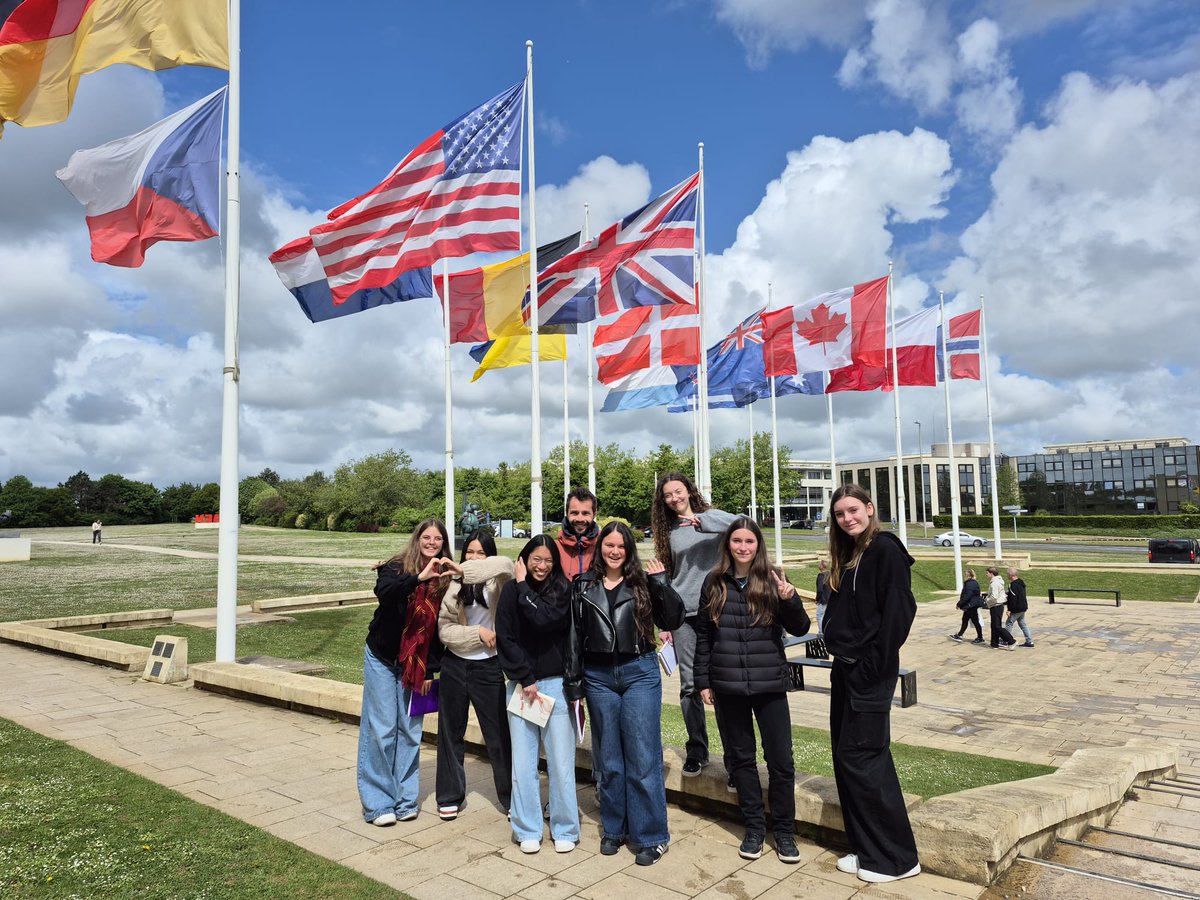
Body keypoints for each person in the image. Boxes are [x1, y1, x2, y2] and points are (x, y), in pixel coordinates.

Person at [565, 522, 684, 866]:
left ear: (629, 549)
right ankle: (614, 829)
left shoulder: (643, 583)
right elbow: (574, 637)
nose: (614, 551)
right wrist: (574, 684)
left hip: (639, 672)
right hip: (598, 676)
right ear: (600, 546)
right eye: (609, 545)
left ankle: (651, 836)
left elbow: (672, 619)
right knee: (610, 759)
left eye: (621, 546)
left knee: (643, 756)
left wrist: (662, 583)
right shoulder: (583, 585)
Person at [694, 517, 809, 864]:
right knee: (741, 760)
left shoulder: (772, 579)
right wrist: (703, 680)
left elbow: (800, 627)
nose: (743, 547)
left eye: (750, 541)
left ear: (758, 545)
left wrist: (789, 600)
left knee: (780, 761)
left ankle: (785, 831)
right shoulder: (714, 582)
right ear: (728, 544)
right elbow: (703, 636)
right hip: (728, 684)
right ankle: (755, 827)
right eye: (737, 541)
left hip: (769, 684)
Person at [824, 485, 921, 884]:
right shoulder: (851, 554)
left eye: (853, 510)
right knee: (846, 759)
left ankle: (895, 859)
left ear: (869, 508)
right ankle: (867, 848)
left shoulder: (884, 550)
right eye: (840, 514)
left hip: (868, 673)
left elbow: (898, 615)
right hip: (845, 670)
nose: (847, 518)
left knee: (864, 759)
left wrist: (871, 668)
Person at [358, 519, 451, 826]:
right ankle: (378, 803)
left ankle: (405, 799)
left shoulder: (446, 579)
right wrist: (418, 577)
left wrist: (431, 671)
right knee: (382, 729)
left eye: (438, 538)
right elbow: (385, 593)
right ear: (417, 539)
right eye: (427, 537)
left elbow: (440, 631)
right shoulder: (397, 567)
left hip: (418, 666)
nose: (432, 542)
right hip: (383, 658)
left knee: (410, 731)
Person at [495, 535, 580, 855]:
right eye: (536, 559)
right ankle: (527, 827)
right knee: (524, 764)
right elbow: (505, 637)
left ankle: (565, 828)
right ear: (524, 559)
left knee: (561, 764)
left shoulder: (562, 589)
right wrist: (524, 677)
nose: (542, 566)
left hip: (555, 685)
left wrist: (521, 586)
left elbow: (544, 620)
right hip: (521, 687)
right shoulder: (509, 593)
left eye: (548, 560)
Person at [650, 472, 737, 776]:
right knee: (690, 686)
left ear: (689, 490)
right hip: (683, 614)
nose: (674, 498)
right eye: (668, 495)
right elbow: (668, 575)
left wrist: (703, 522)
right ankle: (697, 749)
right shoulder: (667, 532)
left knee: (725, 683)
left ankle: (734, 758)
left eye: (678, 491)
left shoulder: (712, 518)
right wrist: (666, 620)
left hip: (716, 608)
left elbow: (744, 524)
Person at [435, 528, 514, 821]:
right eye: (469, 551)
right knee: (450, 732)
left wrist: (465, 569)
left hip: (489, 667)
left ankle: (510, 798)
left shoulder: (499, 581)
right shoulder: (452, 584)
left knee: (498, 736)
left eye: (481, 552)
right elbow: (444, 629)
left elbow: (507, 565)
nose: (473, 557)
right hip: (455, 665)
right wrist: (476, 633)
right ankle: (450, 795)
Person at [555, 487, 600, 580]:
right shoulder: (554, 548)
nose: (580, 519)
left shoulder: (604, 546)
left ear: (594, 514)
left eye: (585, 513)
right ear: (567, 513)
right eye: (574, 513)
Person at [950, 568, 985, 643]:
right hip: (970, 605)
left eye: (965, 574)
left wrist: (959, 604)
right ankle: (960, 635)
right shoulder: (971, 583)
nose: (964, 575)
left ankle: (980, 637)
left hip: (971, 605)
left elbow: (967, 596)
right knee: (965, 620)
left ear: (968, 575)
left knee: (975, 621)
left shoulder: (970, 584)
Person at [985, 566, 1016, 650]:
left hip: (996, 605)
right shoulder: (996, 582)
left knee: (997, 626)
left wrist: (987, 600)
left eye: (987, 573)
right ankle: (994, 643)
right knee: (994, 625)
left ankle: (1011, 640)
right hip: (996, 605)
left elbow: (994, 596)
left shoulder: (995, 583)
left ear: (991, 573)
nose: (986, 575)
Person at [1005, 567, 1033, 648]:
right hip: (1023, 607)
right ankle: (1029, 641)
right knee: (1022, 624)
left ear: (1010, 574)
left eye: (1007, 573)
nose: (1007, 575)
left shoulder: (1012, 585)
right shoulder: (1021, 582)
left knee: (1009, 623)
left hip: (1016, 608)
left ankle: (1006, 640)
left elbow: (1013, 599)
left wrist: (1009, 609)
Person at [815, 559, 831, 634]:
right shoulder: (831, 574)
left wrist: (817, 599)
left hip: (823, 599)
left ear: (822, 566)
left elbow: (819, 590)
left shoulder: (821, 575)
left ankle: (822, 632)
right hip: (831, 599)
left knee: (819, 616)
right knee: (828, 616)